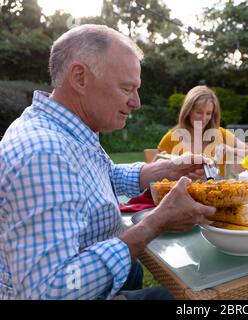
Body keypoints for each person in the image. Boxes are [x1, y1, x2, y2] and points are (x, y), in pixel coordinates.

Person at [0, 25, 216, 300]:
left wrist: (164, 169)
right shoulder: (44, 153)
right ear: (80, 78)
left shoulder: (67, 129)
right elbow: (47, 292)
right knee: (204, 294)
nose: (136, 103)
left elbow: (102, 176)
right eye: (128, 88)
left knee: (134, 270)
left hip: (88, 260)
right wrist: (155, 223)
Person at [158, 85, 248, 177]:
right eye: (199, 112)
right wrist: (166, 164)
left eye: (208, 113)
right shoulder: (171, 137)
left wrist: (230, 149)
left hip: (218, 190)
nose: (204, 118)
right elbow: (153, 175)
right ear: (188, 111)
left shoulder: (220, 134)